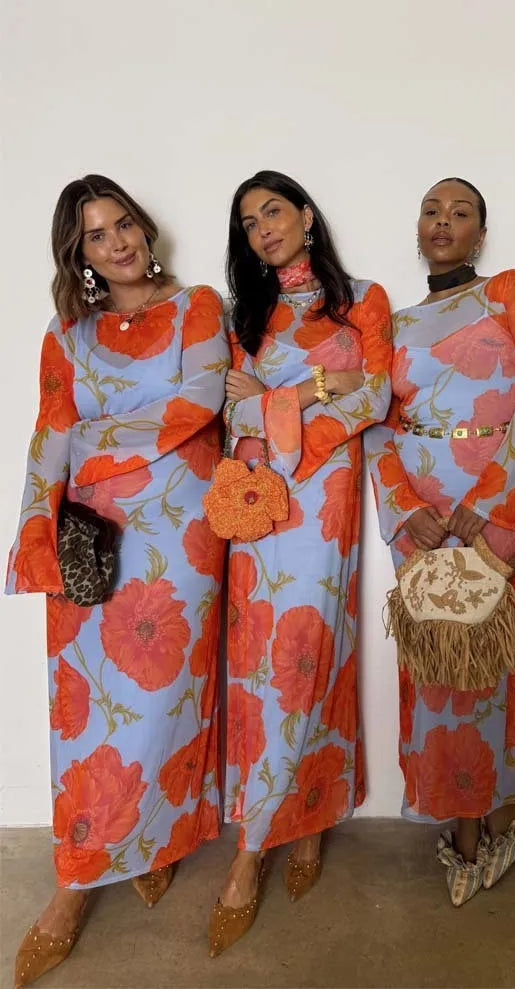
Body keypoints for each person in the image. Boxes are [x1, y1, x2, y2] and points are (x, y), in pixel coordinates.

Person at [6, 175, 228, 988]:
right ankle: (73, 883)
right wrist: (34, 525)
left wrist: (93, 443)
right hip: (91, 541)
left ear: (143, 225)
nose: (118, 241)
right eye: (97, 235)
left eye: (123, 222)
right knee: (85, 710)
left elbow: (198, 402)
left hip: (181, 539)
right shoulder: (65, 336)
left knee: (167, 699)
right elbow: (48, 434)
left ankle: (155, 840)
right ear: (82, 255)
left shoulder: (198, 308)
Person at [366, 177, 515, 905]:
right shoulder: (395, 319)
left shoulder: (509, 289)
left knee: (485, 660)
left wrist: (493, 493)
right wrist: (402, 505)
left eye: (461, 212)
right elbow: (378, 423)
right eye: (431, 210)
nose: (443, 221)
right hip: (419, 514)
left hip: (494, 505)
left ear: (481, 232)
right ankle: (459, 814)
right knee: (434, 665)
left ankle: (495, 811)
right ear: (416, 228)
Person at [210, 170, 392, 956]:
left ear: (306, 214)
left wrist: (293, 398)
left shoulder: (362, 301)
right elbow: (229, 410)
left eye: (273, 210)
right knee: (256, 665)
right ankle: (257, 838)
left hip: (323, 501)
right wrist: (324, 389)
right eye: (249, 222)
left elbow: (379, 396)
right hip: (255, 504)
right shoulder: (242, 315)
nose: (263, 229)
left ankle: (308, 811)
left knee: (311, 654)